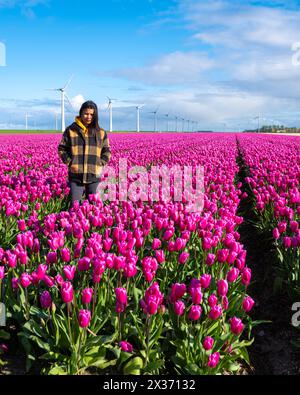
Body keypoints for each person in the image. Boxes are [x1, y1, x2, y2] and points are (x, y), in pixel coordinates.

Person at [58, 100, 111, 206]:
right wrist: (70, 162)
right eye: (86, 113)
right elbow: (62, 149)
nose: (88, 117)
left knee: (94, 206)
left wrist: (100, 163)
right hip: (76, 175)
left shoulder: (100, 132)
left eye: (92, 114)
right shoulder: (71, 130)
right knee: (75, 206)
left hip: (94, 174)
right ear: (81, 113)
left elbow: (107, 150)